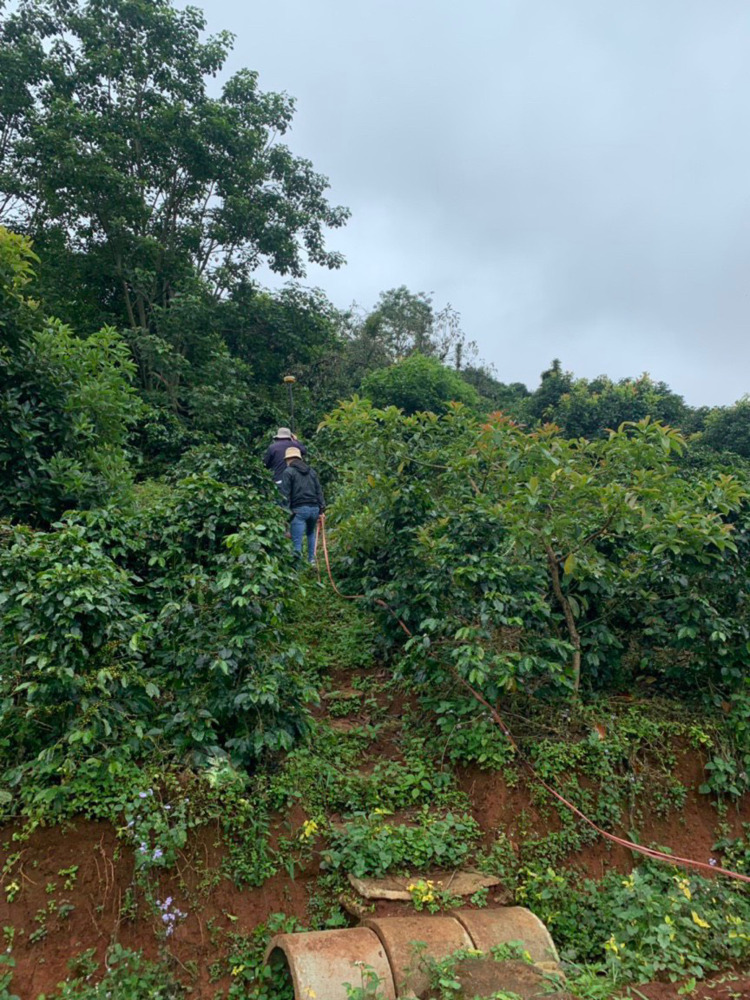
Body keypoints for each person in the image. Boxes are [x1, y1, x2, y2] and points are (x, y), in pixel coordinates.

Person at [280, 446, 325, 565]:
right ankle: (312, 561)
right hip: (314, 509)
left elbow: (285, 494)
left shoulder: (288, 472)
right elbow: (319, 491)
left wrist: (285, 514)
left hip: (299, 510)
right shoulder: (311, 471)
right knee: (310, 533)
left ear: (288, 459)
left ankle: (297, 568)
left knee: (297, 540)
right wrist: (321, 510)